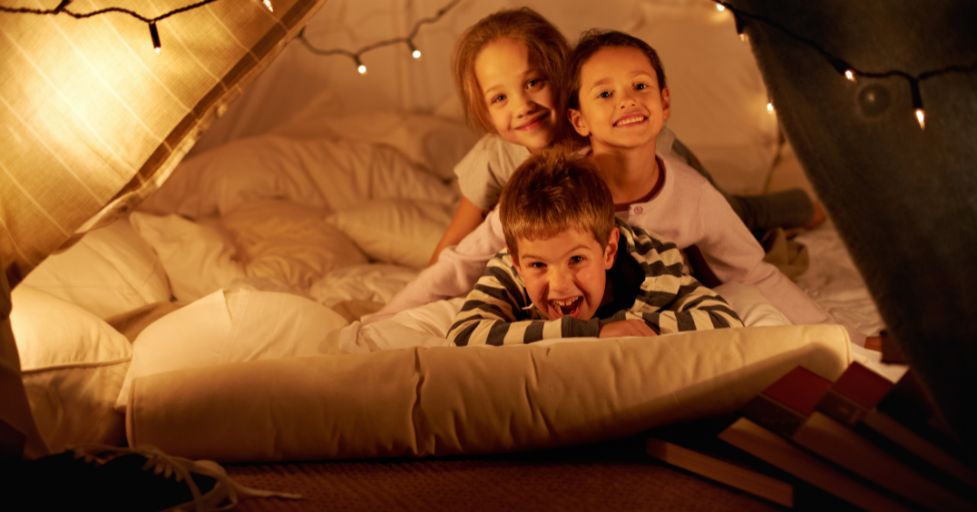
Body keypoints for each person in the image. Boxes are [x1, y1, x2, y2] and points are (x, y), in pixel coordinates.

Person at [383, 28, 847, 343]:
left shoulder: (692, 194)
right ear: (578, 119)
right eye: (605, 93)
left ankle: (803, 207)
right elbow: (464, 260)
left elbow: (753, 273)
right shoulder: (551, 189)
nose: (626, 100)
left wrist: (842, 335)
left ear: (665, 101)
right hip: (580, 320)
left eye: (640, 87)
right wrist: (384, 318)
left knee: (750, 225)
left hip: (669, 281)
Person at [428, 7, 822, 265]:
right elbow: (454, 247)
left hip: (671, 175)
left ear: (563, 77)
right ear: (483, 109)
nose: (522, 105)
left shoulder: (612, 137)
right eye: (499, 97)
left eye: (534, 82)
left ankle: (804, 206)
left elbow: (674, 218)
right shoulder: (495, 156)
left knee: (737, 213)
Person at [447, 152, 742, 346]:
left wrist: (633, 327)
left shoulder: (654, 267)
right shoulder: (510, 268)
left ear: (609, 251)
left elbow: (722, 319)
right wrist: (596, 332)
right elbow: (462, 335)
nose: (560, 285)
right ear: (517, 264)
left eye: (576, 259)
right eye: (538, 266)